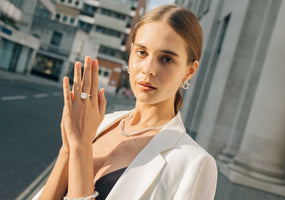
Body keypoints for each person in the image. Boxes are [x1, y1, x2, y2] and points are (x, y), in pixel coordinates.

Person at [33, 4, 217, 200]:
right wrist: (69, 147)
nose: (148, 69)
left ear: (189, 71)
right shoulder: (98, 124)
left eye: (166, 59)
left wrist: (81, 147)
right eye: (142, 52)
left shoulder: (194, 164)